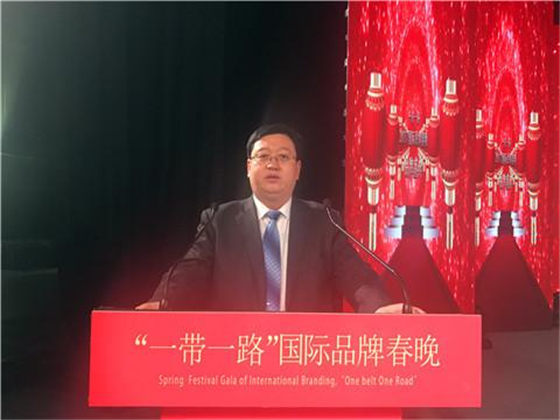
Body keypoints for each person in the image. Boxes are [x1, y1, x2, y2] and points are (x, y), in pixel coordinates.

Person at [137, 124, 416, 314]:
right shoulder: (219, 220)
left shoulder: (323, 221)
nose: (272, 164)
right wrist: (163, 302)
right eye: (263, 157)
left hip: (304, 356)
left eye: (283, 157)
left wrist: (380, 308)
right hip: (236, 355)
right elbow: (188, 272)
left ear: (297, 170)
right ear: (248, 167)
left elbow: (356, 276)